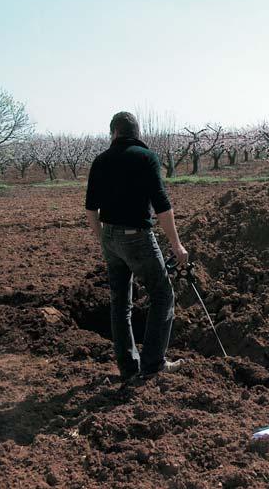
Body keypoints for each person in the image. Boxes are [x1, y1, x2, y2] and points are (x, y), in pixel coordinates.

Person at [85, 111, 188, 381]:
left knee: (120, 304)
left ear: (114, 133)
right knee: (163, 296)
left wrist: (103, 240)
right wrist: (176, 245)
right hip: (137, 236)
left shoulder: (100, 161)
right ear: (136, 132)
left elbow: (90, 209)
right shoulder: (145, 158)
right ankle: (153, 364)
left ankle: (129, 368)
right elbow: (163, 207)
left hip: (109, 236)